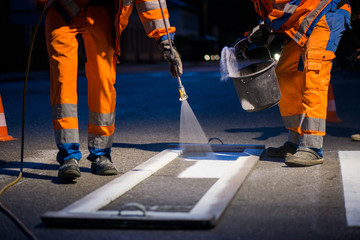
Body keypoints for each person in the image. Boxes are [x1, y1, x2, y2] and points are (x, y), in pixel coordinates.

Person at [45, 0, 182, 179]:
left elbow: (151, 2)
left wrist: (165, 41)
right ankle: (68, 156)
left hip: (100, 12)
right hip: (62, 9)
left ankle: (101, 154)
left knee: (103, 81)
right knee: (63, 81)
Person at [247, 0, 351, 166]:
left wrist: (267, 26)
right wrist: (259, 31)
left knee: (314, 74)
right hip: (305, 19)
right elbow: (279, 12)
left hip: (326, 12)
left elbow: (288, 6)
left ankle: (313, 147)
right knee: (284, 73)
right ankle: (294, 141)